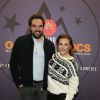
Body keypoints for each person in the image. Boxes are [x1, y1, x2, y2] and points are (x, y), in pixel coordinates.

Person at [10, 14, 55, 100]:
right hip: (26, 88)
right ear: (29, 27)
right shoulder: (20, 41)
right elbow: (13, 64)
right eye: (34, 26)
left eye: (40, 26)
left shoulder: (50, 45)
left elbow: (52, 67)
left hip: (43, 88)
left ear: (43, 27)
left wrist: (49, 84)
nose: (37, 29)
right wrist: (19, 83)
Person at [47, 34, 79, 100]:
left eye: (66, 44)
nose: (62, 47)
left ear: (70, 46)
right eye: (60, 44)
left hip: (62, 96)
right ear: (57, 45)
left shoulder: (72, 64)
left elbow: (73, 86)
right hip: (49, 93)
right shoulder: (54, 56)